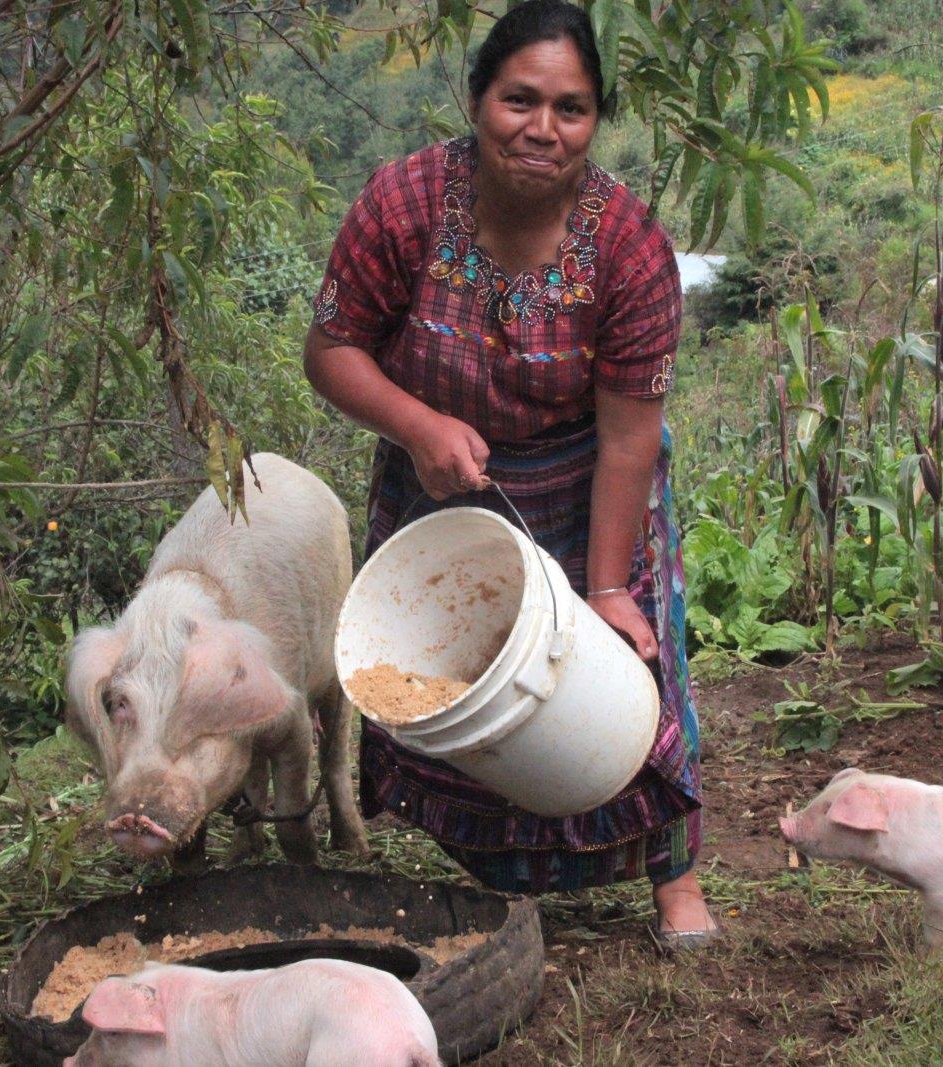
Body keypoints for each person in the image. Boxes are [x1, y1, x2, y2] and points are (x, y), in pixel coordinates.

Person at [302, 0, 716, 949]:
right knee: (468, 689)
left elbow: (628, 438)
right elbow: (331, 350)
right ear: (477, 99)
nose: (543, 128)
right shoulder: (403, 205)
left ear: (596, 121)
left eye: (571, 108)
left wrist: (609, 583)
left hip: (591, 484)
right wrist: (417, 425)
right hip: (439, 480)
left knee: (629, 680)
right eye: (519, 99)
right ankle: (501, 888)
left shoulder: (628, 245)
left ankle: (675, 878)